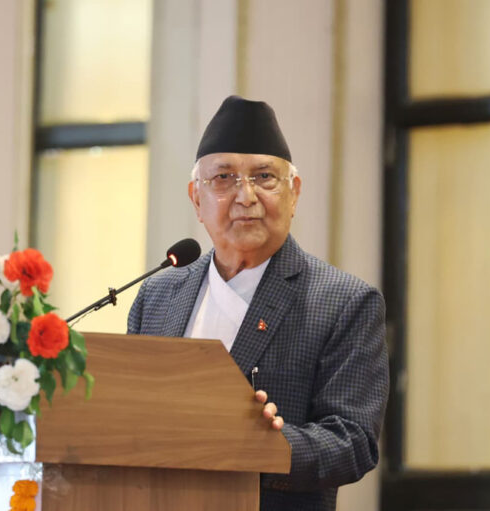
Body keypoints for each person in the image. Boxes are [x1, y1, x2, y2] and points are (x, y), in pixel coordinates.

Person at [127, 95, 389, 510]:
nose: (245, 196)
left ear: (294, 193)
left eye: (264, 177)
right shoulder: (157, 297)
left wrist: (263, 446)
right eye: (224, 178)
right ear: (196, 199)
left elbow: (354, 442)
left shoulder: (344, 302)